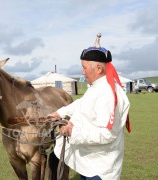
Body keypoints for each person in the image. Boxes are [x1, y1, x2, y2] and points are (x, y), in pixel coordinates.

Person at [48, 34, 131, 180]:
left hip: (100, 169)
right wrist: (59, 113)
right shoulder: (97, 87)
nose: (82, 72)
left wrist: (72, 131)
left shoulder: (107, 93)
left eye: (84, 67)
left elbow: (106, 134)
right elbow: (82, 103)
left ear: (99, 68)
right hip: (89, 162)